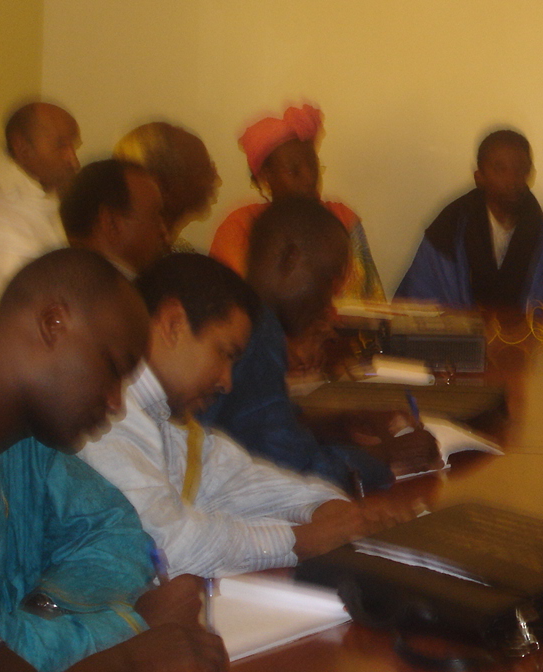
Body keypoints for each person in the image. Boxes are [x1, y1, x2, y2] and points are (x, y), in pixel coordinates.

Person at [81, 253, 407, 578]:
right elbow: (169, 545)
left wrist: (326, 506)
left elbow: (233, 477)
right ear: (173, 324)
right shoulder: (105, 417)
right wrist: (298, 540)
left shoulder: (165, 417)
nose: (227, 381)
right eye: (225, 354)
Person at [0, 249, 215, 671]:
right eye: (114, 367)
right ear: (53, 323)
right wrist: (130, 641)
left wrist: (46, 613)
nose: (117, 404)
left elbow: (119, 534)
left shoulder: (29, 444)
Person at [201, 198, 436, 493]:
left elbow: (267, 424)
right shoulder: (256, 335)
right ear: (290, 259)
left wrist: (339, 422)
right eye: (327, 281)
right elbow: (289, 468)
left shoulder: (246, 314)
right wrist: (383, 457)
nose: (328, 301)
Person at [209, 104, 383, 300]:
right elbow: (238, 305)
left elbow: (371, 303)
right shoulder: (240, 226)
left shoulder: (342, 218)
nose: (309, 178)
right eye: (294, 170)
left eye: (312, 164)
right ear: (266, 177)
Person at [396, 130, 543, 311]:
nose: (512, 180)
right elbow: (416, 304)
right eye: (500, 169)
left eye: (520, 169)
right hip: (458, 330)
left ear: (530, 173)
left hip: (530, 330)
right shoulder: (447, 231)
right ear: (479, 177)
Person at [0, 101, 81, 328]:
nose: (74, 161)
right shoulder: (0, 222)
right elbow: (30, 320)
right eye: (61, 145)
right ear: (22, 148)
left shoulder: (39, 202)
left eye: (74, 146)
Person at [114, 122, 221, 249]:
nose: (216, 179)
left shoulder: (166, 251)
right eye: (203, 168)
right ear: (166, 182)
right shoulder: (131, 256)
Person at [60, 160, 170, 278]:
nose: (165, 234)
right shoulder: (106, 287)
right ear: (111, 223)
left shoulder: (61, 280)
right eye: (154, 218)